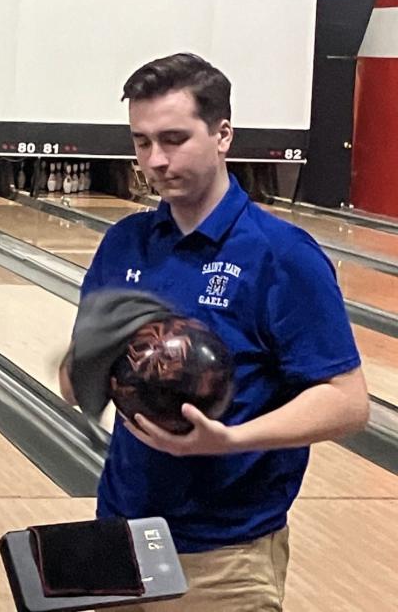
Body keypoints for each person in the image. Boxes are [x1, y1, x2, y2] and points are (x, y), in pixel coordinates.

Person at [59, 53, 369, 610]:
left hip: (225, 558)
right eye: (141, 141)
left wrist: (230, 440)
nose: (155, 159)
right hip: (119, 536)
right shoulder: (123, 244)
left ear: (223, 134)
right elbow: (81, 388)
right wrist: (84, 362)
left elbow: (347, 404)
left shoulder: (281, 256)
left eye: (174, 138)